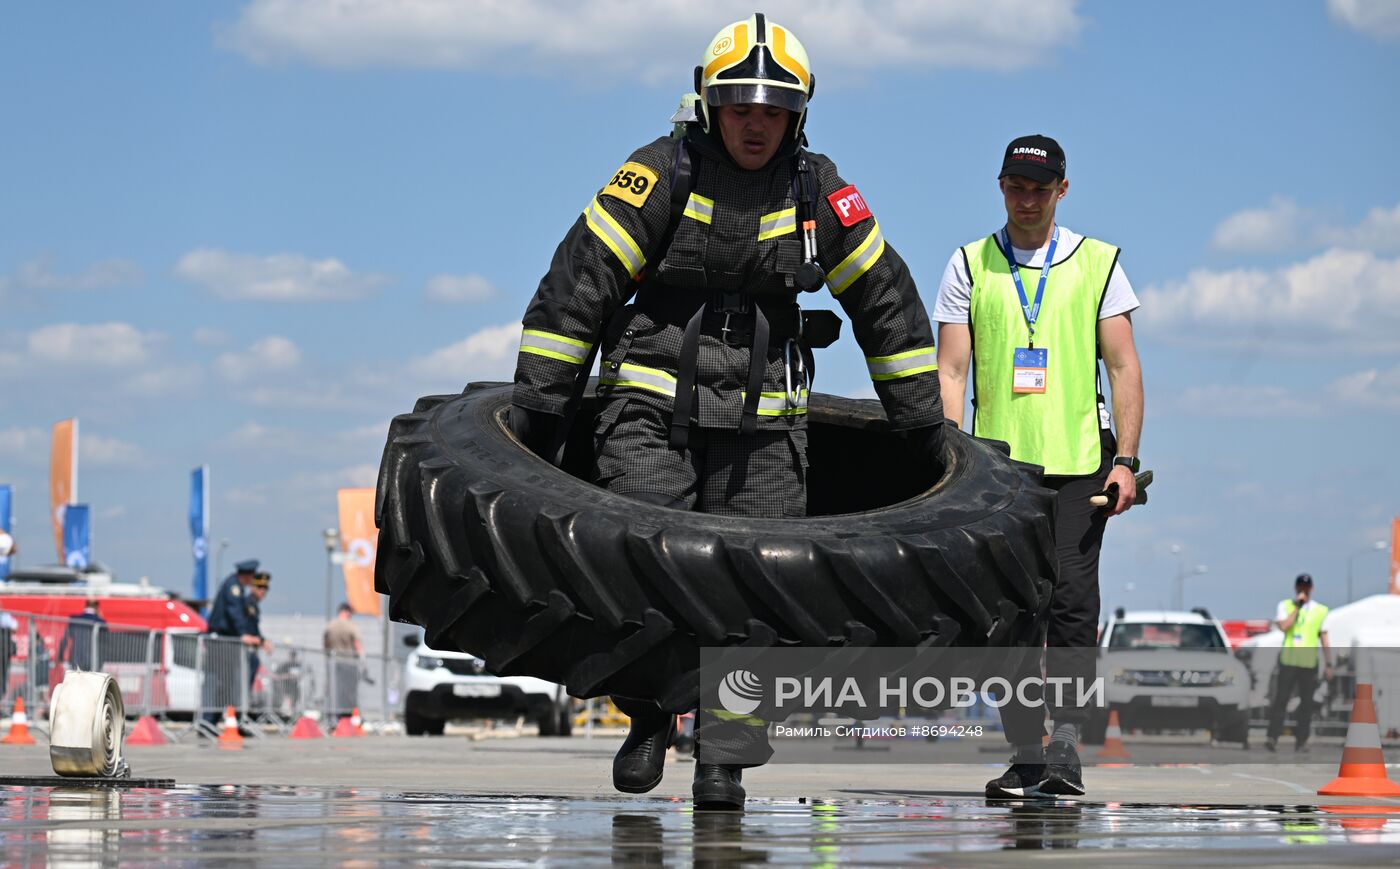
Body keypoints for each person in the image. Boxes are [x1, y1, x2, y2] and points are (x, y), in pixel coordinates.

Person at [510, 13, 944, 809]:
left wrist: (920, 428)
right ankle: (647, 716)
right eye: (741, 107)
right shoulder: (659, 171)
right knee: (642, 572)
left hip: (767, 429)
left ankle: (724, 763)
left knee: (756, 595)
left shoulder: (819, 190)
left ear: (797, 117)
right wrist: (539, 411)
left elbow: (887, 301)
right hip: (650, 413)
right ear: (712, 105)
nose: (755, 123)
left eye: (772, 110)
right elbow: (581, 282)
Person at [934, 134, 1144, 798]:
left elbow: (1123, 366)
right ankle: (1026, 754)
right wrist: (948, 464)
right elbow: (952, 370)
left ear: (1063, 190)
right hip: (999, 474)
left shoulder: (1097, 263)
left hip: (1082, 463)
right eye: (1016, 187)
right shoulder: (970, 263)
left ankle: (1067, 746)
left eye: (1040, 189)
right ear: (1000, 187)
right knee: (1007, 615)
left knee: (1073, 604)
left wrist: (1128, 461)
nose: (1027, 200)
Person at [1266, 573, 1332, 752]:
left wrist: (1329, 663)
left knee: (1307, 704)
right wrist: (1297, 607)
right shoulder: (1286, 606)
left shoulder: (1321, 610)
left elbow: (1324, 638)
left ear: (1311, 589)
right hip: (1288, 661)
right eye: (1300, 587)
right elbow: (1284, 626)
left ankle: (1301, 740)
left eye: (1306, 587)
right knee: (1281, 701)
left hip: (1309, 664)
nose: (1303, 590)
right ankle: (1272, 737)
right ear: (1296, 588)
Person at [203, 559, 266, 729]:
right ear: (247, 575)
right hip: (220, 640)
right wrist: (243, 634)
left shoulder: (236, 586)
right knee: (218, 681)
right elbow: (234, 613)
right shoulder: (233, 587)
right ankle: (207, 721)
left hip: (226, 642)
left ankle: (216, 720)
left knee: (226, 682)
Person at [323, 602, 364, 719]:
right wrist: (363, 661)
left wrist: (328, 657)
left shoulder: (330, 625)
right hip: (350, 663)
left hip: (334, 663)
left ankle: (333, 718)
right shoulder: (351, 626)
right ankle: (348, 717)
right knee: (349, 693)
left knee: (335, 691)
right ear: (347, 611)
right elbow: (358, 644)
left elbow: (326, 644)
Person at [60, 598, 106, 672]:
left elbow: (65, 639)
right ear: (97, 607)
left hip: (75, 658)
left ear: (85, 606)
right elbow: (105, 642)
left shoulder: (74, 619)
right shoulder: (100, 622)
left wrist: (60, 656)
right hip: (93, 659)